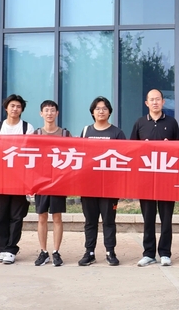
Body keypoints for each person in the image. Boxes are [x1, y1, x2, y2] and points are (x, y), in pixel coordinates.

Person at [130, 89, 179, 267]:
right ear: (146, 103)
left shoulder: (171, 122)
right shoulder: (139, 123)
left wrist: (169, 147)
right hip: (146, 179)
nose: (155, 102)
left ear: (163, 102)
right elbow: (131, 150)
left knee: (166, 218)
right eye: (151, 100)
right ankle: (148, 253)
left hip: (166, 179)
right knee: (148, 218)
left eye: (158, 99)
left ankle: (165, 253)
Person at [78, 96, 126, 267]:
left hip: (109, 186)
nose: (101, 111)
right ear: (92, 112)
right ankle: (89, 252)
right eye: (97, 108)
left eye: (104, 108)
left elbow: (125, 158)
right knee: (90, 221)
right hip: (88, 185)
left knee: (108, 220)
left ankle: (110, 251)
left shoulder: (117, 133)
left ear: (109, 112)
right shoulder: (86, 131)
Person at [0, 94, 34, 265]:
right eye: (12, 106)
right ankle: (2, 248)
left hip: (20, 178)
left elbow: (30, 150)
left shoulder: (27, 127)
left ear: (22, 110)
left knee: (17, 215)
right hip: (0, 178)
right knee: (2, 215)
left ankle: (11, 249)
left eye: (18, 106)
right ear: (6, 108)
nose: (15, 109)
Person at [32, 100, 71, 267]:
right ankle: (43, 251)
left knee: (57, 217)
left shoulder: (65, 134)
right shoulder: (36, 134)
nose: (49, 113)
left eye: (52, 110)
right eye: (46, 110)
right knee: (41, 217)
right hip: (41, 182)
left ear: (57, 113)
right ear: (41, 113)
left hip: (58, 182)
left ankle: (56, 251)